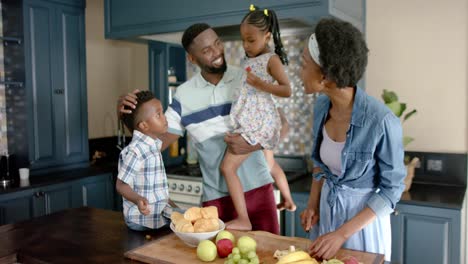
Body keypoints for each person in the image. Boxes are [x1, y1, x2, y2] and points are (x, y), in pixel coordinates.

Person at [118, 23, 281, 234]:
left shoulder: (247, 78)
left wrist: (252, 144)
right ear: (192, 59)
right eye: (207, 50)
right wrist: (124, 115)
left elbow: (278, 127)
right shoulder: (184, 96)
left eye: (217, 44)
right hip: (217, 200)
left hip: (260, 191)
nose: (217, 53)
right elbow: (151, 145)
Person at [299, 18, 406, 261]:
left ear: (326, 76)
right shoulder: (321, 106)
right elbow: (320, 164)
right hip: (327, 215)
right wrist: (313, 205)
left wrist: (341, 234)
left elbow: (391, 192)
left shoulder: (382, 122)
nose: (299, 71)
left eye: (304, 64)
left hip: (361, 226)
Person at [219, 5, 296, 231]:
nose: (245, 45)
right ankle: (288, 200)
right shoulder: (249, 59)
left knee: (227, 168)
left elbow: (287, 90)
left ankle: (243, 218)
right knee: (270, 164)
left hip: (258, 122)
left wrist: (261, 85)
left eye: (250, 40)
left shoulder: (271, 60)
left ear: (267, 36)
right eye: (243, 40)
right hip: (251, 120)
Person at [116, 90, 175, 231]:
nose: (164, 118)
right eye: (158, 114)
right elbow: (121, 185)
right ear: (143, 126)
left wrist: (174, 208)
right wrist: (137, 199)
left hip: (157, 217)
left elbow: (158, 190)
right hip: (141, 220)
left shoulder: (153, 146)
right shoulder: (136, 151)